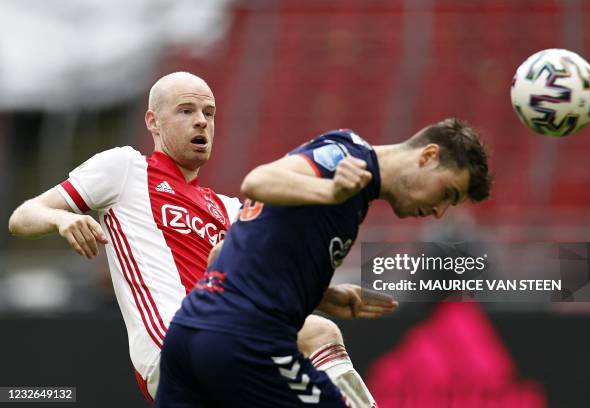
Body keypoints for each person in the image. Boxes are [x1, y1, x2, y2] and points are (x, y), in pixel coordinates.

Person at [8, 71, 395, 403]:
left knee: (316, 334)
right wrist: (61, 220)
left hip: (223, 345)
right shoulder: (124, 169)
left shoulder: (229, 210)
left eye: (209, 113)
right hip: (173, 349)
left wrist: (327, 295)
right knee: (315, 332)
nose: (201, 122)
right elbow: (22, 216)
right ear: (153, 121)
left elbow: (269, 279)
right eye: (186, 111)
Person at [155, 119, 493, 407]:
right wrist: (330, 192)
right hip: (245, 342)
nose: (439, 211)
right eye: (447, 193)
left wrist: (321, 294)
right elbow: (258, 182)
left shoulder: (355, 187)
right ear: (428, 156)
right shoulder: (345, 158)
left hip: (188, 336)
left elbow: (226, 254)